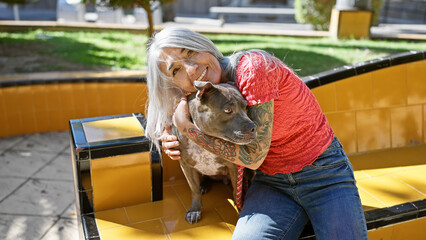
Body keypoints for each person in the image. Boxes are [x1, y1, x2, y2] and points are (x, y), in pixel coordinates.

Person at [145, 27, 368, 240]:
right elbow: (191, 126)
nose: (191, 69)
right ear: (176, 85)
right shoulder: (201, 98)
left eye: (190, 52)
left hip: (323, 174)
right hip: (271, 182)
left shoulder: (252, 68)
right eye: (176, 70)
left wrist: (188, 129)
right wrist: (175, 140)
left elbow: (253, 156)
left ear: (205, 46)